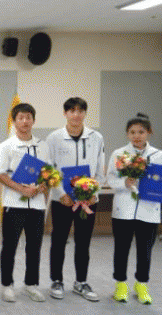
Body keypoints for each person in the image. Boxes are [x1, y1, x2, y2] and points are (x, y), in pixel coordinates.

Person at [46, 97, 105, 302]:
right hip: (63, 200)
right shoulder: (54, 138)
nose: (76, 115)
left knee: (83, 242)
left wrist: (93, 193)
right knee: (58, 241)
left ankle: (81, 282)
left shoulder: (96, 137)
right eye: (72, 111)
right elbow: (49, 169)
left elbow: (99, 169)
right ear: (65, 113)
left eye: (80, 111)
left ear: (85, 114)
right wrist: (60, 193)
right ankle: (56, 280)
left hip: (88, 201)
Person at [0, 103, 49, 303]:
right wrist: (21, 189)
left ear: (33, 120)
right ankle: (7, 285)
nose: (25, 121)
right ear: (14, 121)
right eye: (21, 118)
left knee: (34, 247)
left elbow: (48, 172)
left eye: (28, 117)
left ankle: (31, 284)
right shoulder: (6, 145)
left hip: (37, 205)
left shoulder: (43, 145)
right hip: (13, 204)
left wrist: (43, 186)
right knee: (10, 246)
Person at [106, 113, 161, 304]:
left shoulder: (158, 155)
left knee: (145, 251)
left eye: (141, 132)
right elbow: (110, 178)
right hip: (124, 210)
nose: (136, 136)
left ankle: (141, 285)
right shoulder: (119, 154)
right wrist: (125, 183)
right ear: (127, 134)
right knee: (121, 249)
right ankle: (121, 284)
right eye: (132, 132)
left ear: (149, 133)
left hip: (149, 210)